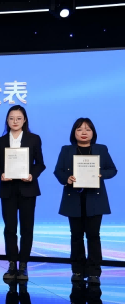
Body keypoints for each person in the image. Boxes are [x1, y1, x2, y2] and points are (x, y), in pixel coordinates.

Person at [54, 118, 117, 284]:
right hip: (73, 199)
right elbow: (58, 171)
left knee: (93, 236)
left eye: (88, 129)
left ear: (93, 133)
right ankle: (77, 270)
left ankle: (94, 272)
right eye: (79, 129)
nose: (83, 132)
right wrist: (67, 179)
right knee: (76, 236)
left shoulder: (101, 149)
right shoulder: (66, 150)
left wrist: (101, 174)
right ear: (74, 132)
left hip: (95, 199)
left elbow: (112, 169)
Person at [0, 105, 45, 281]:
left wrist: (32, 175)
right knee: (10, 229)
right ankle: (12, 264)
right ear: (7, 120)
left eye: (18, 118)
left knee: (27, 229)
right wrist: (1, 175)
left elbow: (40, 164)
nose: (15, 121)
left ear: (24, 120)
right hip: (8, 189)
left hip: (28, 189)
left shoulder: (34, 139)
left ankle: (23, 265)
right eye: (11, 118)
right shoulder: (0, 141)